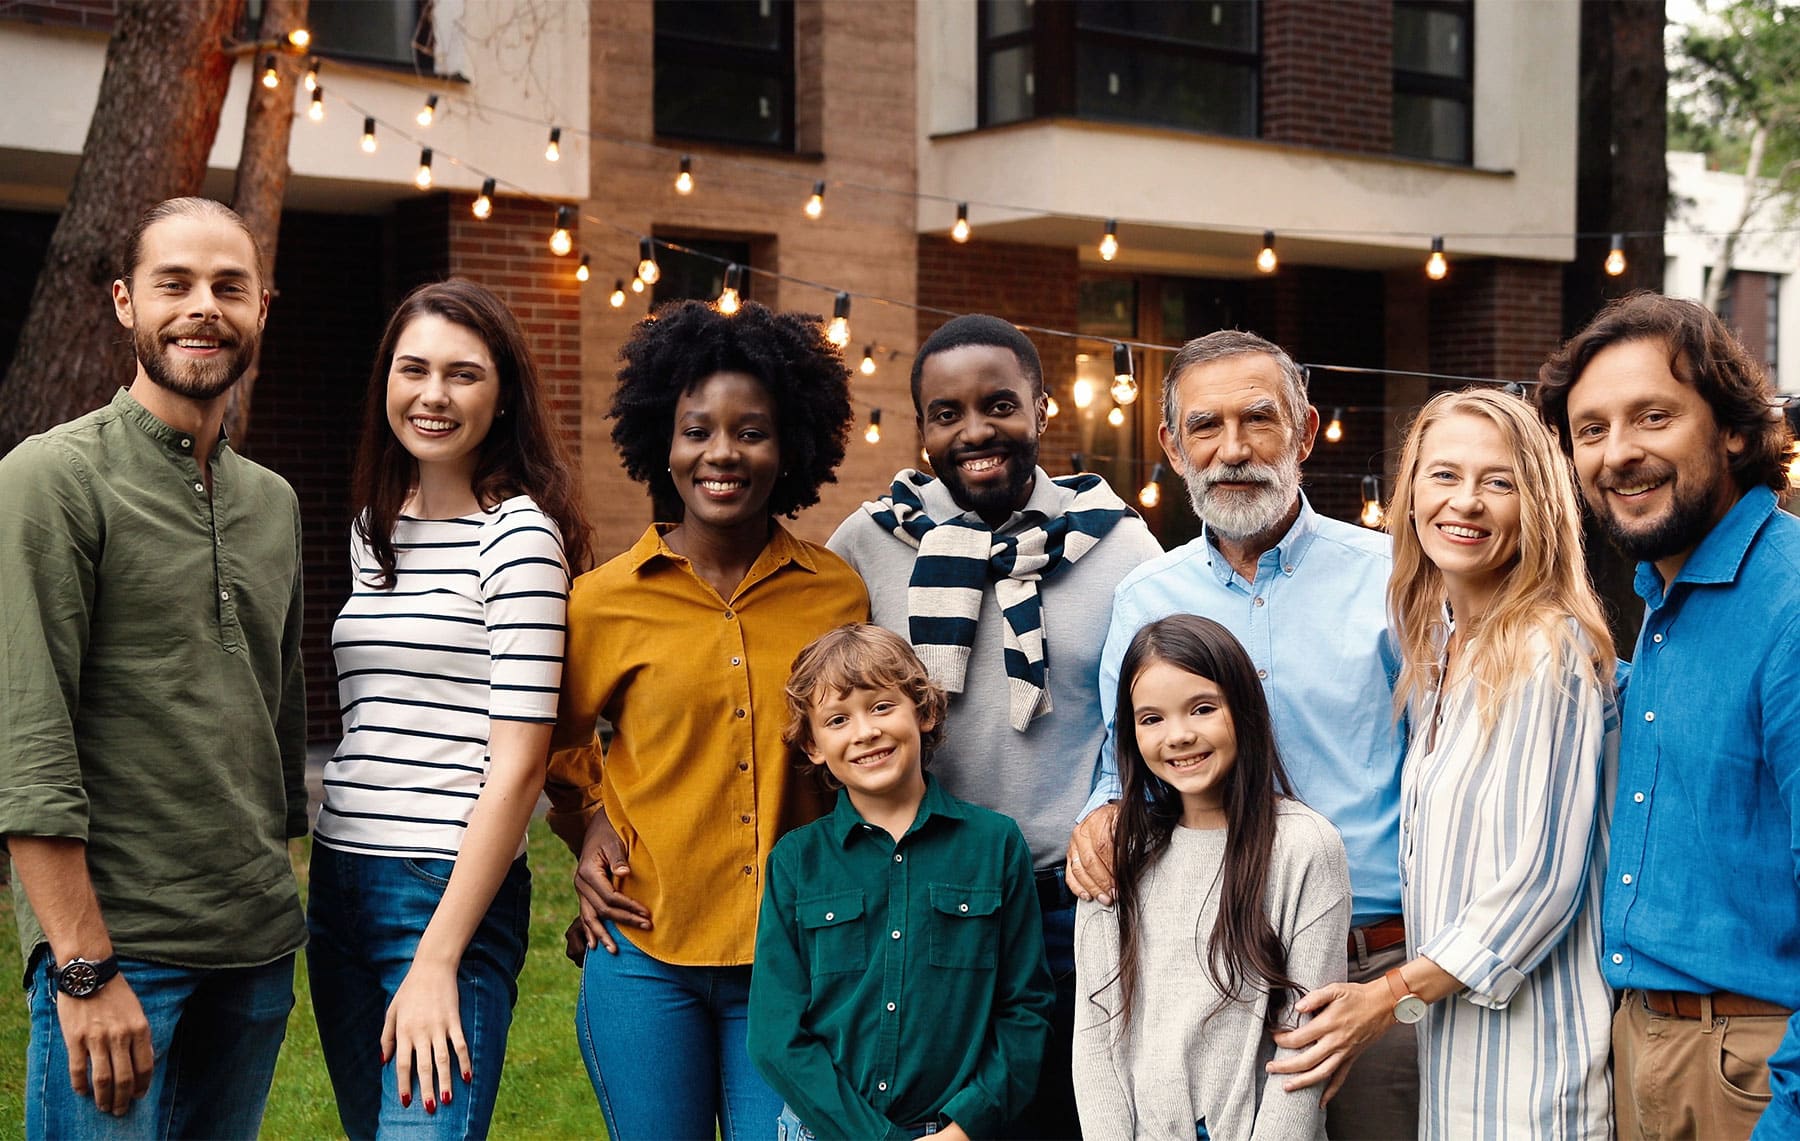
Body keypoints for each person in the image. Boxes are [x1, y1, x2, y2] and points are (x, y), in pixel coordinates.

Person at [0, 197, 305, 1137]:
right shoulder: (51, 478)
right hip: (122, 951)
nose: (203, 306)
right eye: (175, 283)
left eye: (229, 286)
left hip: (256, 952)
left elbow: (276, 718)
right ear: (127, 303)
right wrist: (81, 965)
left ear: (264, 308)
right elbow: (27, 737)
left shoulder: (275, 502)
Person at [1068, 330, 1413, 1139]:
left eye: (1258, 420)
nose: (1232, 450)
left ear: (1305, 429)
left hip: (1365, 981)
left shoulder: (1395, 577)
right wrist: (1097, 816)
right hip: (1198, 981)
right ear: (1171, 446)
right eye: (1205, 426)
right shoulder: (1145, 595)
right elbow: (1125, 770)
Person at [827, 314, 1161, 1137]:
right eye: (948, 414)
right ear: (922, 429)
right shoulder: (868, 544)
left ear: (1043, 409)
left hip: (1071, 901)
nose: (975, 431)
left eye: (1000, 405)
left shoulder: (1120, 546)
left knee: (1064, 1116)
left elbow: (1154, 717)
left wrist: (1120, 806)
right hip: (913, 892)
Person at [545, 299, 870, 1140]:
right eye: (697, 430)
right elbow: (554, 744)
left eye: (751, 430)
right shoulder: (603, 601)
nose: (722, 453)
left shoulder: (836, 594)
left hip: (795, 962)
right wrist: (588, 826)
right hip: (643, 955)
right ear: (663, 440)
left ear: (792, 443)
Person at [1268, 388, 1617, 1137]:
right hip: (1455, 1065)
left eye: (1499, 481)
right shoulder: (1444, 651)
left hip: (1536, 1076)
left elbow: (1536, 885)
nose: (1467, 502)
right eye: (1444, 475)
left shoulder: (1546, 647)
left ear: (1539, 504)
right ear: (1412, 491)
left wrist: (1386, 996)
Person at [305, 279, 589, 1138]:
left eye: (463, 374)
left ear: (502, 396)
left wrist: (438, 954)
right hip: (338, 881)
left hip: (440, 888)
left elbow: (520, 765)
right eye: (414, 369)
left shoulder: (520, 536)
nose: (433, 395)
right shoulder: (372, 528)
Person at [1534, 291, 1800, 1140]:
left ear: (1731, 428)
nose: (1619, 453)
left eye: (1652, 416)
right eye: (1591, 429)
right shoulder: (1665, 597)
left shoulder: (1788, 601)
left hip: (1750, 1070)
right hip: (1643, 1045)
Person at [748, 623, 1054, 1140]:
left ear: (925, 711)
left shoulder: (994, 845)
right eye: (838, 719)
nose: (865, 731)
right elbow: (775, 1035)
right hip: (827, 1131)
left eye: (882, 706)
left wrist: (965, 1125)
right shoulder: (796, 861)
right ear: (812, 745)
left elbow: (1026, 1008)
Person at [1072, 615, 1349, 1141]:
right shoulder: (1119, 851)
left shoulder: (1305, 846)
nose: (1178, 736)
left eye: (1202, 709)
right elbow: (1095, 1032)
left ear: (1242, 710)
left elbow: (1305, 1040)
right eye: (1151, 718)